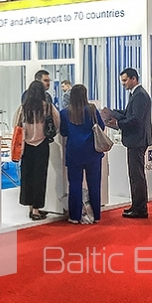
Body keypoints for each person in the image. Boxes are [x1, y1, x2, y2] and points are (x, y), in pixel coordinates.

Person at [102, 67, 152, 219]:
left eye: (125, 80)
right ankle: (137, 205)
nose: (123, 84)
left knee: (136, 176)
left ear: (133, 79)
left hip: (137, 140)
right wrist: (113, 112)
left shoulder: (140, 95)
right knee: (135, 175)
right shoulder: (136, 94)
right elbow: (128, 113)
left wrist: (118, 123)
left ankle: (140, 208)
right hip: (136, 140)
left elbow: (135, 119)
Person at [59, 84, 105, 225]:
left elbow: (63, 132)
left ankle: (74, 216)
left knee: (74, 185)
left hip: (74, 152)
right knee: (94, 185)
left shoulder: (64, 113)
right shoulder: (92, 109)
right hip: (92, 152)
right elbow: (101, 126)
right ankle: (96, 215)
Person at [16, 79, 60, 221]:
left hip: (26, 146)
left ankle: (30, 208)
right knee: (40, 178)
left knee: (27, 177)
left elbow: (16, 125)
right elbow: (57, 122)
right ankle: (36, 209)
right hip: (42, 145)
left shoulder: (23, 108)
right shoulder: (47, 107)